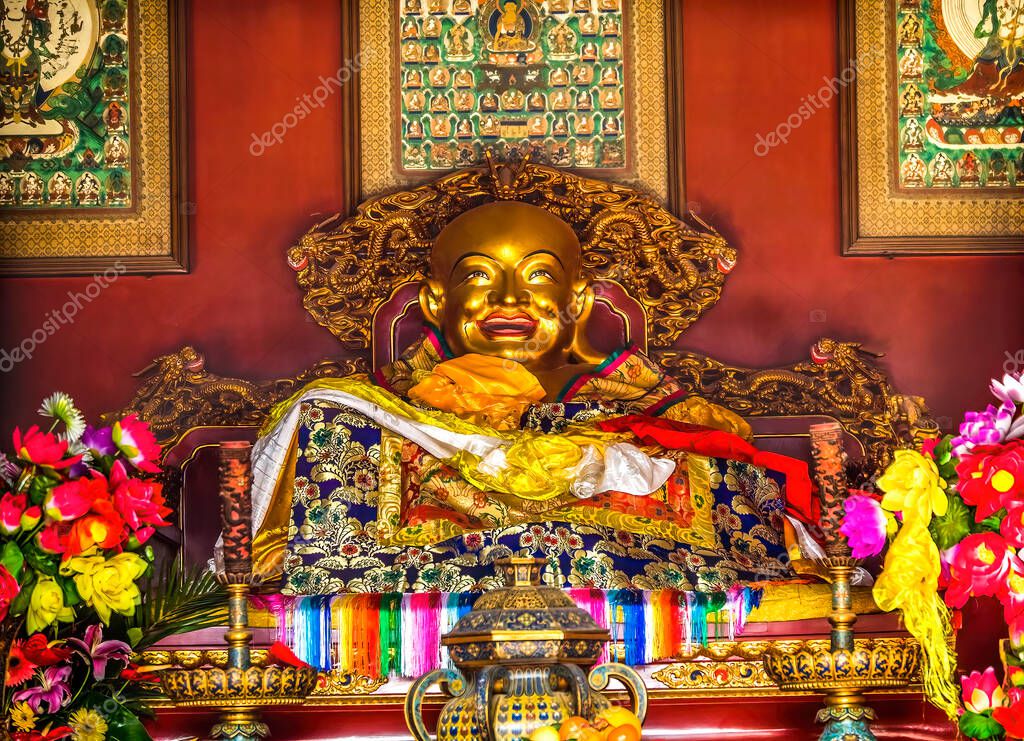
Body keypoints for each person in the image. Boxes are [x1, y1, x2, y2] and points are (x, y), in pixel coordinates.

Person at [245, 202, 803, 593]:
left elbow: (733, 460)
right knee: (329, 422)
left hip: (609, 570)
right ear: (436, 302)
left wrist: (587, 455)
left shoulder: (637, 398)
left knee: (706, 470)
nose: (509, 298)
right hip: (445, 566)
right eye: (479, 278)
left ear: (577, 299)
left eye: (537, 277)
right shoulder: (381, 407)